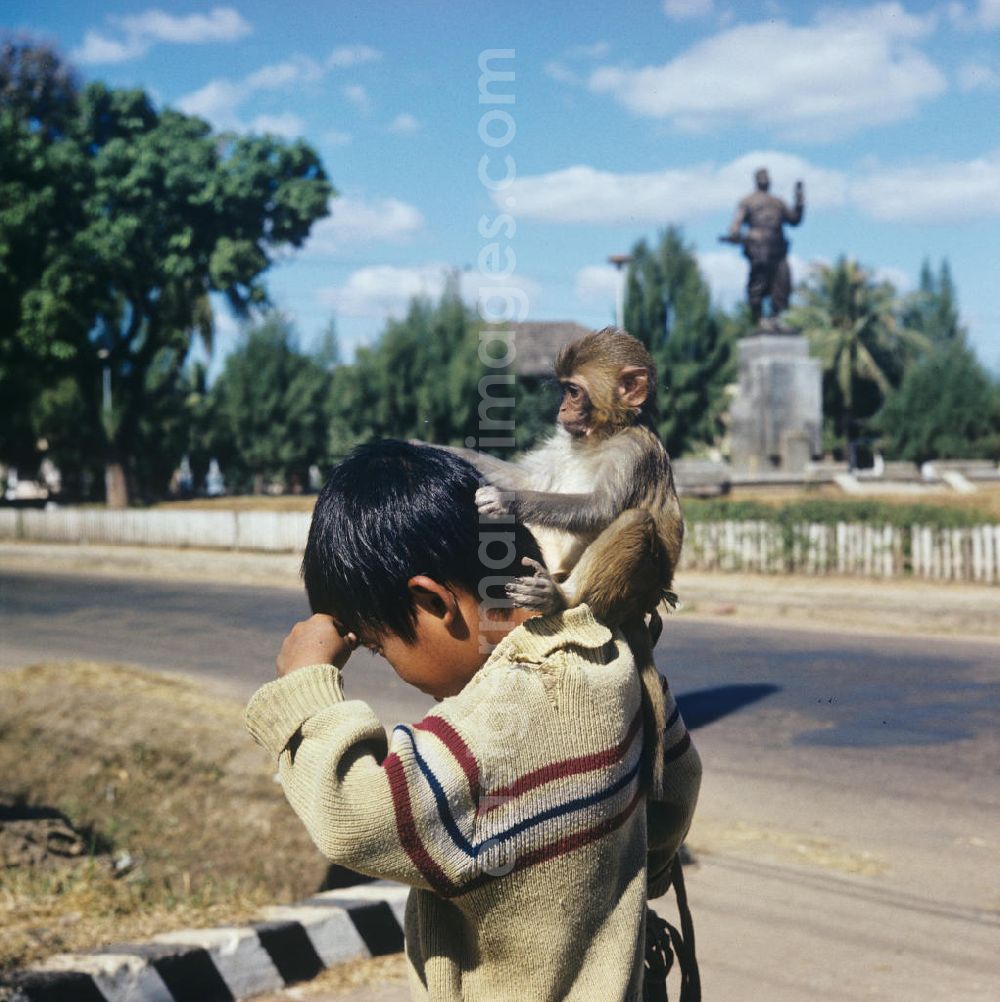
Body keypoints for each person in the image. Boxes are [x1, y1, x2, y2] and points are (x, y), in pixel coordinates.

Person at [245, 440, 701, 1001]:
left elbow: (354, 817)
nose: (395, 671)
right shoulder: (613, 653)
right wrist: (632, 882)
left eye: (380, 649)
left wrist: (304, 687)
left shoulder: (488, 732)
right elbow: (677, 780)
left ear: (434, 604)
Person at [724, 167, 805, 323]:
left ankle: (776, 318)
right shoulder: (748, 201)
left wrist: (799, 201)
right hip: (758, 247)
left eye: (766, 177)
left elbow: (794, 220)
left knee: (783, 282)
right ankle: (759, 317)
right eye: (761, 177)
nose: (764, 180)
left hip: (778, 247)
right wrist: (734, 233)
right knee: (758, 282)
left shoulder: (778, 202)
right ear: (756, 180)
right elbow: (736, 223)